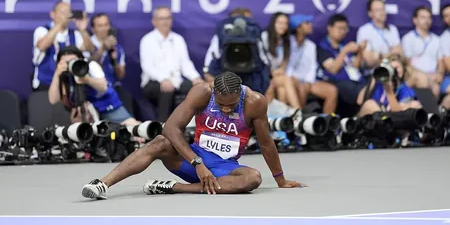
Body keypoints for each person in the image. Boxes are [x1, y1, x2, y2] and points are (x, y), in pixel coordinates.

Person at [81, 72, 306, 199]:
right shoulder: (202, 92)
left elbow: (266, 143)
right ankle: (102, 184)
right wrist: (196, 162)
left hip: (223, 170)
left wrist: (280, 179)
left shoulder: (255, 102)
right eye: (221, 105)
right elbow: (170, 128)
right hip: (192, 160)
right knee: (160, 142)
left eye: (232, 105)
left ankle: (171, 187)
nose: (227, 110)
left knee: (253, 178)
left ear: (240, 94)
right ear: (214, 93)